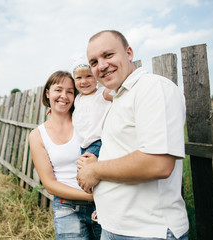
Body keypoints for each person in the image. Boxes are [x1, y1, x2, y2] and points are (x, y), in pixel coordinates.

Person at [76, 30, 189, 240]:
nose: (101, 66)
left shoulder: (153, 88)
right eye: (94, 62)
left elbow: (158, 163)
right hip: (115, 227)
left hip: (147, 232)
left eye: (108, 55)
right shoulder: (120, 97)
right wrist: (99, 161)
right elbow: (128, 151)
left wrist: (96, 170)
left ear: (129, 53)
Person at [29, 70, 101, 240]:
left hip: (102, 207)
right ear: (47, 93)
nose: (64, 96)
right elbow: (50, 184)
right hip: (67, 208)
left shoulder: (86, 122)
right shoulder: (38, 135)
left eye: (70, 91)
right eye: (58, 90)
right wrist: (90, 196)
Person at [71, 56, 112, 159]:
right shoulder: (77, 99)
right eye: (79, 78)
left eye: (89, 76)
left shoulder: (101, 94)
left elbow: (118, 93)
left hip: (97, 142)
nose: (84, 81)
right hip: (81, 145)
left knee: (85, 171)